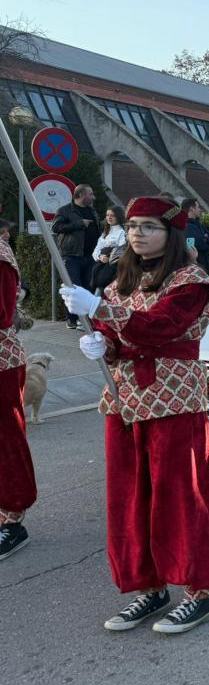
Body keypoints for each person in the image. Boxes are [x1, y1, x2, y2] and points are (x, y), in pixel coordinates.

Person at [59, 196, 209, 633]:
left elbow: (160, 329)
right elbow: (116, 335)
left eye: (149, 225)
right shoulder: (121, 281)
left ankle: (200, 589)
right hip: (123, 399)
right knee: (130, 499)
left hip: (174, 400)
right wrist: (100, 344)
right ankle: (148, 588)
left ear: (171, 233)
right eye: (133, 225)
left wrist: (99, 311)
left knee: (179, 497)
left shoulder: (192, 280)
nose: (137, 232)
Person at [0, 220, 32, 560]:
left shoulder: (1, 256)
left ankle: (12, 517)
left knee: (6, 442)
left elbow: (3, 312)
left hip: (2, 363)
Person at [52, 183, 100, 329]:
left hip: (90, 256)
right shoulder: (65, 210)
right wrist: (79, 223)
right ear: (81, 195)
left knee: (88, 287)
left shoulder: (92, 210)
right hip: (71, 255)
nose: (93, 197)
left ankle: (85, 318)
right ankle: (72, 319)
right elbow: (56, 227)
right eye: (90, 194)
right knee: (74, 287)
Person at [180, 198, 209, 271]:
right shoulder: (186, 226)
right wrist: (206, 240)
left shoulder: (198, 224)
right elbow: (197, 246)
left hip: (203, 265)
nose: (200, 210)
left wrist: (204, 239)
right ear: (192, 209)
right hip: (196, 267)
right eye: (198, 207)